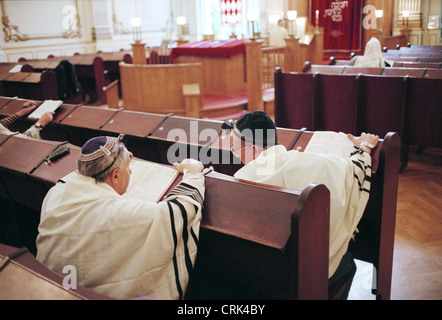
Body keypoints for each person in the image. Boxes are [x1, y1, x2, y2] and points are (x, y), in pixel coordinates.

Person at [226, 111, 379, 299]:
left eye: (235, 149)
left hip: (260, 276)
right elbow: (354, 171)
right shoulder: (308, 162)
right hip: (302, 275)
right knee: (347, 262)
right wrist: (364, 148)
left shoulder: (238, 180)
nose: (234, 155)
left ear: (254, 147)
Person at [36, 135, 206, 300]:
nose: (131, 170)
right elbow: (179, 211)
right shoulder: (120, 213)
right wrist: (193, 173)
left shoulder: (56, 193)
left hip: (48, 289)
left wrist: (119, 153)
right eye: (128, 167)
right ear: (115, 176)